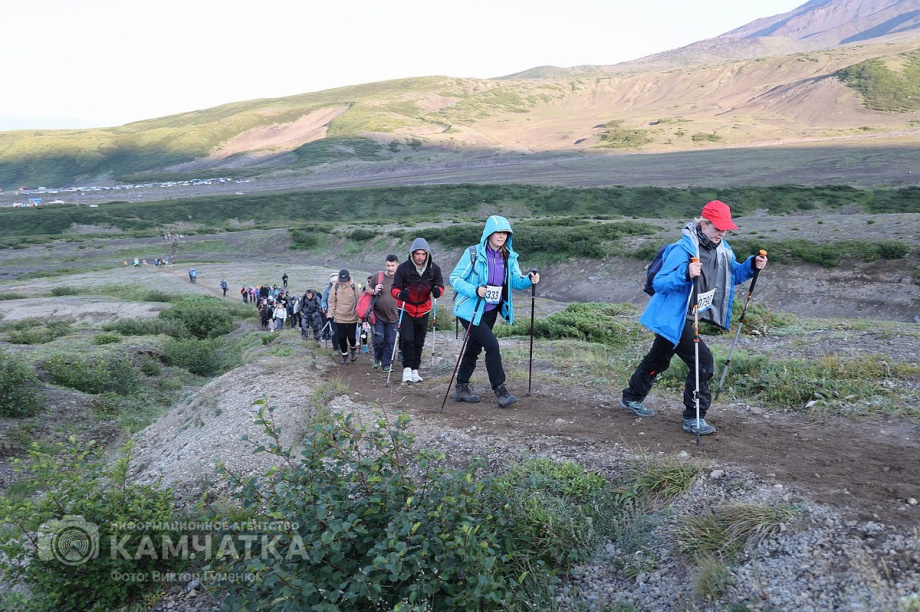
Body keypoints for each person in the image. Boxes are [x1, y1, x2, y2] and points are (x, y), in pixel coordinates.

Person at [620, 200, 768, 436]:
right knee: (703, 363)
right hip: (674, 317)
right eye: (717, 227)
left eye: (725, 228)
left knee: (659, 358)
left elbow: (732, 276)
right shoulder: (682, 249)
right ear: (703, 224)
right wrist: (684, 273)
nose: (722, 232)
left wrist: (752, 265)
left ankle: (631, 397)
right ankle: (694, 418)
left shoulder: (723, 249)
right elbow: (659, 283)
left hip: (692, 315)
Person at [449, 216, 539, 407]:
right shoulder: (473, 253)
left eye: (505, 233)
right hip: (470, 310)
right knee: (492, 345)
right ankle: (500, 390)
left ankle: (461, 388)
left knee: (473, 347)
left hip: (490, 310)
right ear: (489, 233)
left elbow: (515, 280)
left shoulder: (508, 256)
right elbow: (455, 278)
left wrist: (528, 279)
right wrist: (474, 290)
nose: (502, 236)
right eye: (498, 232)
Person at [392, 239, 444, 383]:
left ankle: (415, 369)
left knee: (419, 341)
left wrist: (437, 291)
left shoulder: (434, 269)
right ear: (412, 254)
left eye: (423, 254)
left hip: (424, 309)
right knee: (407, 339)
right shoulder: (403, 269)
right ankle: (407, 369)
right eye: (417, 254)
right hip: (406, 308)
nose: (420, 257)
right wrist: (399, 294)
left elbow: (440, 286)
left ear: (427, 254)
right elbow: (394, 288)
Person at [369, 255, 399, 373]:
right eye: (388, 265)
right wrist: (374, 290)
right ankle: (377, 357)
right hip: (378, 315)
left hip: (394, 317)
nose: (390, 268)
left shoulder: (401, 277)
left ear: (397, 265)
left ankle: (386, 364)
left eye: (393, 266)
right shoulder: (378, 276)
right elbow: (367, 289)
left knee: (391, 341)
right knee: (378, 340)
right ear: (385, 265)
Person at [327, 269, 361, 365]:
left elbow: (359, 302)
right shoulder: (335, 286)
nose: (343, 282)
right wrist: (330, 314)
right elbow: (332, 301)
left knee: (351, 337)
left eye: (345, 280)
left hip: (352, 316)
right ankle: (344, 356)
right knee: (341, 337)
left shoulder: (354, 286)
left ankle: (353, 350)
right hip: (339, 317)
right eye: (342, 280)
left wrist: (360, 318)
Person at [320, 272, 338, 343]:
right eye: (333, 281)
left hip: (341, 312)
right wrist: (324, 307)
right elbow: (323, 300)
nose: (335, 283)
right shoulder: (327, 290)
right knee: (333, 330)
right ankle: (335, 346)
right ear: (331, 282)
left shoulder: (342, 289)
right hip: (331, 312)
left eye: (336, 281)